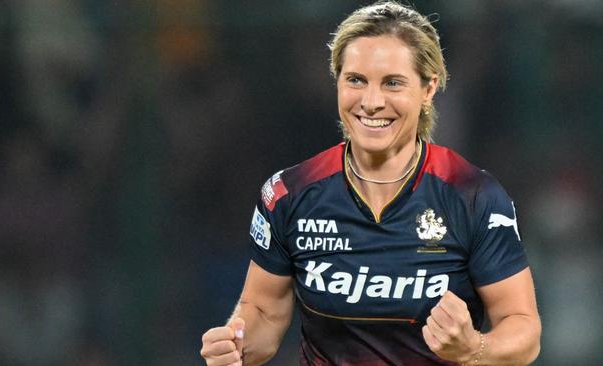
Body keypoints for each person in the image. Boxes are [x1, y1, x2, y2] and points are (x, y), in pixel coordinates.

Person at [200, 1, 542, 365]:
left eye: (392, 83)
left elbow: (522, 328)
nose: (372, 102)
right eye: (356, 81)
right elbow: (264, 313)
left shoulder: (473, 195)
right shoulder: (291, 194)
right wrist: (236, 344)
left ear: (428, 89)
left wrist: (475, 349)